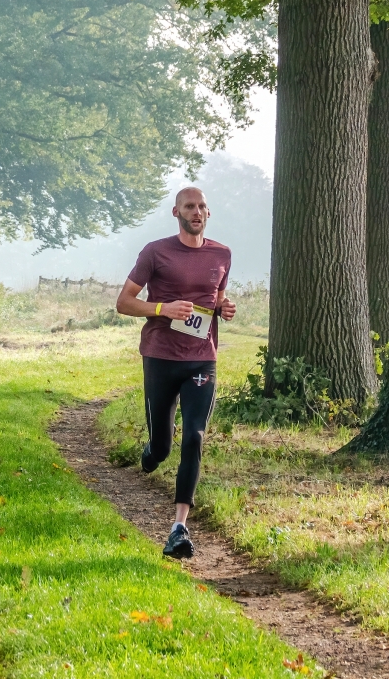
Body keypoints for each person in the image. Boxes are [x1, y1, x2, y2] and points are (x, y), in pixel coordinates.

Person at [115, 186, 235, 559]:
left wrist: (224, 307)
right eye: (189, 206)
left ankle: (179, 527)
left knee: (195, 436)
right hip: (161, 356)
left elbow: (214, 296)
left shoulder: (222, 254)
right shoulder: (156, 252)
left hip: (202, 358)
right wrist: (162, 309)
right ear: (176, 212)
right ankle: (152, 452)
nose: (196, 211)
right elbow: (124, 302)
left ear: (208, 213)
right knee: (163, 446)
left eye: (201, 206)